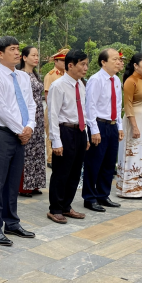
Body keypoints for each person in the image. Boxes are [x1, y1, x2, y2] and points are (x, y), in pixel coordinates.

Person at [0, 36, 37, 246]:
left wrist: (30, 127)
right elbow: (0, 109)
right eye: (12, 49)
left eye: (18, 49)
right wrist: (20, 130)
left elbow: (31, 104)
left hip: (20, 134)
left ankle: (12, 223)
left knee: (13, 182)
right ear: (0, 54)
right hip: (2, 134)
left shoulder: (23, 77)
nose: (17, 53)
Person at [47, 49, 90, 224]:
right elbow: (53, 114)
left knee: (74, 171)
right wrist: (55, 140)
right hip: (65, 131)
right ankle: (55, 208)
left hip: (79, 131)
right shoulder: (58, 86)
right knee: (61, 172)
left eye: (87, 64)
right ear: (70, 65)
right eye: (82, 64)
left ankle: (66, 205)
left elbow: (84, 111)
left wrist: (85, 135)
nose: (85, 68)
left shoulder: (81, 84)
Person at [82, 48, 124, 212]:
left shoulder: (116, 81)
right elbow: (90, 106)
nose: (118, 62)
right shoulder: (96, 80)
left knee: (108, 163)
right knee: (94, 163)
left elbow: (118, 105)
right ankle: (89, 197)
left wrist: (119, 126)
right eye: (114, 59)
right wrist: (93, 130)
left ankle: (103, 194)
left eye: (118, 59)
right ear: (103, 62)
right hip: (99, 125)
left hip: (112, 125)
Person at [117, 53, 142, 198]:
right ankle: (128, 188)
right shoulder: (130, 81)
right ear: (135, 65)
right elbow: (128, 105)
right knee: (133, 152)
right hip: (134, 119)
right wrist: (134, 126)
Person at [17, 46, 47, 198]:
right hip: (27, 115)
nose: (36, 58)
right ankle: (23, 185)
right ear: (24, 57)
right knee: (27, 151)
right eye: (33, 55)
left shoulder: (34, 74)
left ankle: (34, 183)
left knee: (37, 150)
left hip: (39, 115)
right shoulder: (20, 75)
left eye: (37, 55)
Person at [44, 49, 68, 168]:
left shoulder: (67, 75)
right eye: (62, 60)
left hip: (64, 111)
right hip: (52, 109)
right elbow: (47, 95)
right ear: (56, 61)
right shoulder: (51, 75)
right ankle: (50, 159)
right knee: (51, 134)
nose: (65, 63)